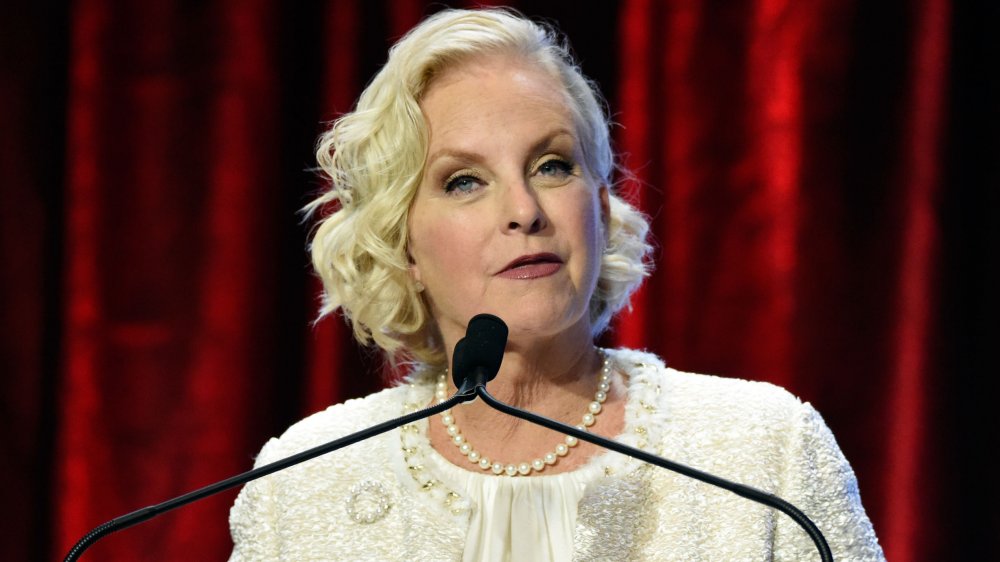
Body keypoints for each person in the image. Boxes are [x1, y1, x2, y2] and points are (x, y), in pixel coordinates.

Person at [228, 8, 884, 561]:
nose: (524, 209)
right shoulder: (301, 482)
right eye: (464, 181)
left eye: (551, 165)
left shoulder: (762, 452)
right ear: (403, 247)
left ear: (599, 209)